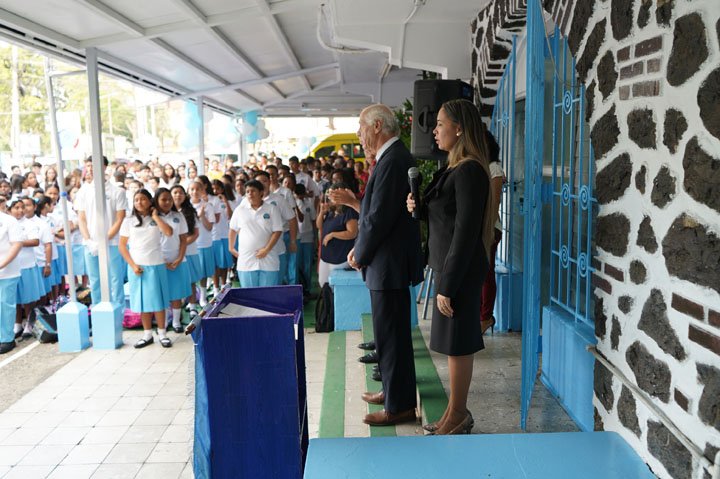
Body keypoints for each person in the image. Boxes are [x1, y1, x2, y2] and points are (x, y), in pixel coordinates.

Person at [406, 99, 495, 435]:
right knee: (451, 345)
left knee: (458, 345)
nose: (434, 130)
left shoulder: (470, 170)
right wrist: (418, 206)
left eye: (440, 123)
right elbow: (444, 217)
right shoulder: (452, 168)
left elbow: (465, 232)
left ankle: (458, 414)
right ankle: (453, 412)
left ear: (459, 129)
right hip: (448, 269)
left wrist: (448, 284)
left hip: (459, 272)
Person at [348, 104, 424, 427]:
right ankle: (393, 393)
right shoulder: (391, 157)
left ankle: (400, 406)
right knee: (390, 336)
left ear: (377, 125)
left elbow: (378, 217)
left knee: (392, 337)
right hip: (386, 265)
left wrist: (360, 252)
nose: (359, 134)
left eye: (362, 127)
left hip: (388, 265)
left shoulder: (392, 159)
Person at [119, 189, 173, 348]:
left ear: (150, 201)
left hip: (156, 264)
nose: (139, 202)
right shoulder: (128, 221)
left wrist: (155, 216)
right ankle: (147, 334)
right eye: (136, 200)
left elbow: (169, 232)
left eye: (143, 199)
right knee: (143, 303)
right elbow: (122, 246)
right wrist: (133, 265)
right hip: (138, 267)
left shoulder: (158, 217)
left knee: (159, 301)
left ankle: (162, 334)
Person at [75, 157, 127, 309]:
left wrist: (104, 240)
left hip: (112, 243)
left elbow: (120, 218)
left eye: (94, 165)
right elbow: (81, 219)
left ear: (104, 167)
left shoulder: (117, 191)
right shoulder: (83, 191)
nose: (90, 169)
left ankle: (119, 311)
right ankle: (98, 309)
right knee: (95, 280)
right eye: (88, 166)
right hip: (90, 244)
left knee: (115, 279)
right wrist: (89, 241)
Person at [228, 180, 283, 287]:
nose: (250, 194)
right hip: (246, 260)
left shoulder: (271, 209)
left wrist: (266, 249)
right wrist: (231, 248)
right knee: (249, 294)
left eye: (253, 191)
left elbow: (277, 231)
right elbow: (232, 229)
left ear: (261, 192)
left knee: (267, 293)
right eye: (247, 191)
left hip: (268, 259)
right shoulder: (240, 210)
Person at [155, 188, 191, 333]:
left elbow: (183, 240)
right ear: (156, 200)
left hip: (177, 260)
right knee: (162, 293)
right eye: (163, 199)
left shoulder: (178, 216)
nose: (167, 202)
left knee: (176, 292)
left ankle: (176, 321)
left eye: (169, 199)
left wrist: (179, 258)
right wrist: (161, 260)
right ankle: (163, 322)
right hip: (159, 261)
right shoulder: (152, 218)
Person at [316, 183, 358, 287]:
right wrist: (321, 213)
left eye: (332, 195)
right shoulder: (331, 211)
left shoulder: (349, 211)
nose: (329, 198)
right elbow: (319, 226)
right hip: (326, 256)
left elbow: (352, 233)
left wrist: (333, 235)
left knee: (336, 287)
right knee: (323, 284)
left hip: (340, 257)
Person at [0, 199, 23, 354]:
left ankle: (7, 339)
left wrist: (2, 264)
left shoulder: (9, 221)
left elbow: (17, 244)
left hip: (7, 271)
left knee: (4, 305)